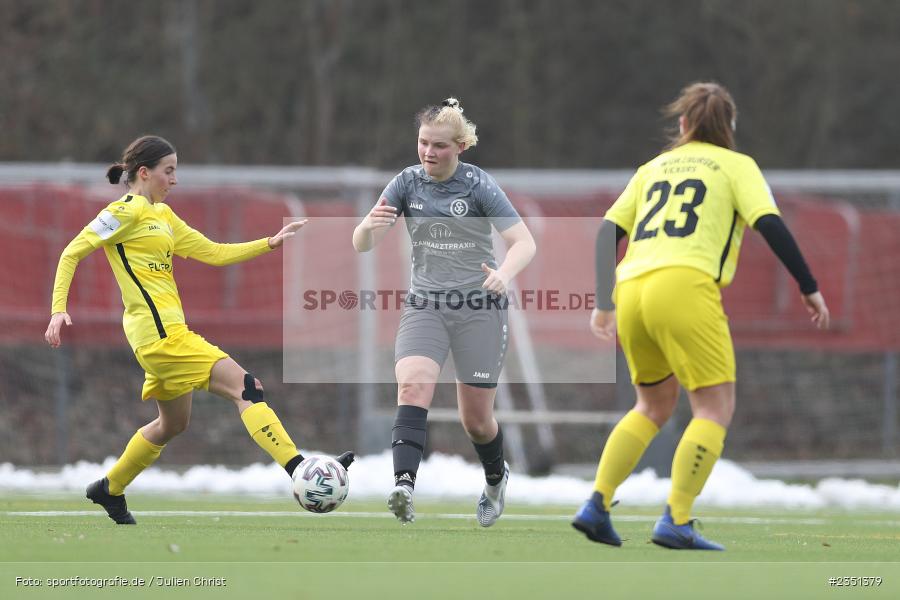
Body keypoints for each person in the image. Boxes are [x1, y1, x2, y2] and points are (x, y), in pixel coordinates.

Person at [572, 82, 830, 550]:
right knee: (714, 408)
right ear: (730, 127)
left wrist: (603, 300)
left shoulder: (652, 167)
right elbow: (769, 222)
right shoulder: (737, 166)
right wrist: (809, 286)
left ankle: (597, 503)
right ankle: (678, 519)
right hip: (685, 285)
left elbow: (607, 229)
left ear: (683, 124)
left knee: (651, 406)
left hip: (632, 287)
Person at [44, 135, 353, 525]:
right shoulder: (124, 212)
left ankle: (110, 488)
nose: (174, 179)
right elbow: (71, 252)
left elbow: (214, 252)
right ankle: (301, 470)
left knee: (172, 424)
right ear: (144, 172)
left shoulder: (165, 217)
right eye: (168, 171)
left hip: (164, 338)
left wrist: (269, 244)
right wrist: (58, 310)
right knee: (247, 387)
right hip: (162, 338)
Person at [352, 98, 536, 526]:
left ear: (461, 147)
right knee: (413, 387)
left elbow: (524, 242)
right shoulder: (406, 183)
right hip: (426, 305)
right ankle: (403, 487)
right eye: (423, 143)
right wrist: (368, 228)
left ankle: (495, 478)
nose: (429, 153)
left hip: (479, 309)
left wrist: (503, 275)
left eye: (439, 146)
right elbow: (361, 243)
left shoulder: (478, 185)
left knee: (476, 421)